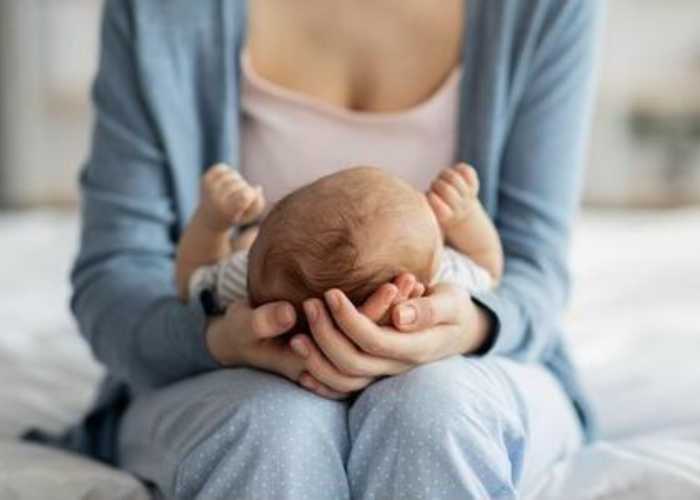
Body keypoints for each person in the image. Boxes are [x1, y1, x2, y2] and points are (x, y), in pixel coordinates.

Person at [66, 0, 601, 498]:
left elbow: (529, 271)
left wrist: (471, 326)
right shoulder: (166, 13)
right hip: (227, 371)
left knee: (436, 411)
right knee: (269, 425)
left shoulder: (539, 11)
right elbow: (123, 278)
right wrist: (219, 339)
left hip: (474, 364)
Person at [175, 165, 501, 322]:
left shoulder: (246, 283)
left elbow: (191, 281)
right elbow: (489, 268)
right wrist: (465, 217)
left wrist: (212, 222)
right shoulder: (444, 280)